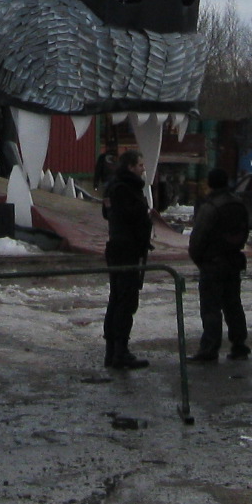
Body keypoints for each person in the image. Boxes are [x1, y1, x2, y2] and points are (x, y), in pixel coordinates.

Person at [188, 168, 252, 362]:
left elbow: (197, 238)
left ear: (210, 183)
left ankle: (210, 348)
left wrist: (200, 259)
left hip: (213, 264)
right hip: (233, 261)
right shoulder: (238, 204)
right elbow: (244, 231)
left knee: (211, 308)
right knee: (233, 305)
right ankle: (239, 345)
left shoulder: (210, 207)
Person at [102, 151, 154, 369]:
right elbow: (131, 216)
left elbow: (108, 213)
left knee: (117, 299)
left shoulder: (114, 187)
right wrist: (145, 216)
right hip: (126, 249)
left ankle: (113, 351)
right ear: (130, 167)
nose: (143, 168)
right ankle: (119, 352)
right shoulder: (125, 189)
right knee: (125, 301)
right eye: (140, 165)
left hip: (119, 247)